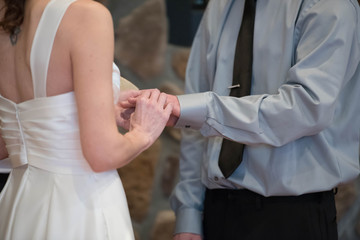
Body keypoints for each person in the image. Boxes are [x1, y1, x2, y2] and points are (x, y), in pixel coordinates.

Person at [124, 0, 360, 239]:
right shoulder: (220, 5)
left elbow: (305, 109)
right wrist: (189, 214)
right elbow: (194, 120)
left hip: (293, 217)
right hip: (218, 212)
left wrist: (198, 110)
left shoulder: (329, 5)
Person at [0, 0, 172, 239]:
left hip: (20, 203)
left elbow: (7, 142)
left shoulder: (6, 20)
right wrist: (144, 132)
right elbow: (103, 155)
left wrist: (79, 112)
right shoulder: (86, 15)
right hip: (79, 205)